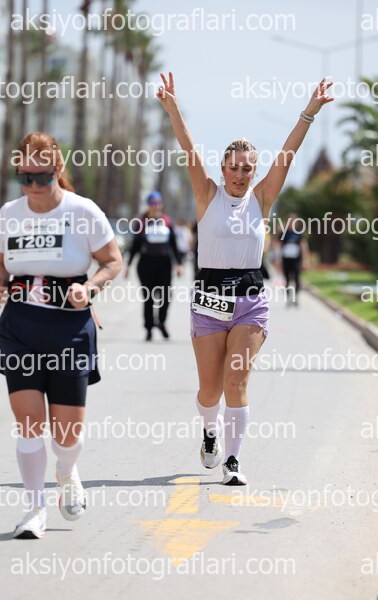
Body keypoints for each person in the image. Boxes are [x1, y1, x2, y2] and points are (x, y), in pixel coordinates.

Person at [157, 72, 333, 485]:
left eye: (248, 169)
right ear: (223, 169)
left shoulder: (262, 198)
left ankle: (233, 461)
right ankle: (210, 429)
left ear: (255, 172)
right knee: (210, 392)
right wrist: (173, 109)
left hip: (250, 301)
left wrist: (309, 112)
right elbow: (188, 149)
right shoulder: (207, 195)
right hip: (209, 300)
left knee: (236, 381)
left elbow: (287, 154)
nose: (240, 174)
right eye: (234, 168)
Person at [0, 132, 122, 538]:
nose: (34, 186)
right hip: (20, 327)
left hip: (70, 328)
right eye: (25, 177)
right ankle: (35, 509)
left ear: (58, 170)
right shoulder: (9, 214)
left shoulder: (82, 211)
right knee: (28, 422)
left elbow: (112, 261)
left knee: (66, 436)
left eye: (42, 177)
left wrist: (90, 288)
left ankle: (67, 471)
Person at [124, 191, 183, 341]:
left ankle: (161, 322)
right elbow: (135, 245)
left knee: (165, 296)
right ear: (148, 204)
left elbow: (174, 244)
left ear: (161, 204)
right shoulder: (141, 222)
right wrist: (128, 266)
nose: (155, 206)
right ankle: (149, 328)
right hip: (146, 263)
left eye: (157, 203)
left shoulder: (166, 221)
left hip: (164, 263)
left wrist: (179, 263)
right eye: (152, 203)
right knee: (149, 297)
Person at [280, 212, 311, 306]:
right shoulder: (284, 233)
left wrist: (305, 260)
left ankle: (296, 297)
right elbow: (279, 246)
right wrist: (277, 261)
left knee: (297, 279)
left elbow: (303, 246)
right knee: (287, 279)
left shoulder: (299, 233)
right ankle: (289, 298)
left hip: (296, 260)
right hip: (286, 260)